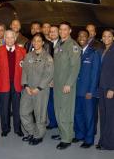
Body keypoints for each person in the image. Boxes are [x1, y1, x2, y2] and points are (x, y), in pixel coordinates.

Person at [20, 33, 54, 145]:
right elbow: (24, 71)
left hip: (41, 91)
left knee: (40, 114)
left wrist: (39, 88)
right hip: (28, 89)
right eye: (34, 40)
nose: (36, 43)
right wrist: (25, 85)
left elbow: (48, 75)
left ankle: (39, 135)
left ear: (43, 43)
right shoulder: (28, 56)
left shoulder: (47, 58)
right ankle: (31, 132)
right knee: (24, 112)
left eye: (39, 40)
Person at [52, 21, 81, 150]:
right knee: (58, 109)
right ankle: (62, 132)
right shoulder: (58, 44)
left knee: (65, 111)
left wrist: (69, 83)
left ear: (70, 31)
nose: (62, 31)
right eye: (60, 29)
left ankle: (67, 138)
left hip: (66, 85)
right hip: (57, 83)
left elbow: (75, 67)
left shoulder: (73, 46)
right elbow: (56, 65)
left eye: (65, 29)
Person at [74, 30, 100, 148]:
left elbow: (95, 74)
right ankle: (80, 135)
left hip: (88, 92)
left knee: (89, 116)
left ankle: (89, 140)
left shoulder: (93, 53)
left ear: (88, 37)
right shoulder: (76, 52)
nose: (81, 38)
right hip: (76, 90)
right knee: (78, 114)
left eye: (84, 36)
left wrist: (91, 90)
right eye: (79, 36)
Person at [0, 30, 26, 137]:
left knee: (17, 107)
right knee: (4, 108)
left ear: (15, 38)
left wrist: (25, 83)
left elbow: (25, 69)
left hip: (17, 84)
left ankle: (18, 128)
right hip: (3, 83)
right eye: (7, 37)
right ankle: (5, 128)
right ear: (4, 39)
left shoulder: (22, 51)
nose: (9, 40)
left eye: (11, 37)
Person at [97, 29, 114, 150]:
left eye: (109, 36)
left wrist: (112, 88)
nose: (106, 38)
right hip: (101, 87)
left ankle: (110, 144)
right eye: (104, 36)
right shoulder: (102, 50)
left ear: (113, 38)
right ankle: (103, 140)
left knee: (110, 117)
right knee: (103, 115)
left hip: (110, 88)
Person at [46, 26, 59, 130]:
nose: (52, 33)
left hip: (59, 80)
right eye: (50, 32)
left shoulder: (62, 44)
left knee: (58, 104)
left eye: (54, 31)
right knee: (49, 102)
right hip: (48, 80)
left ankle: (60, 124)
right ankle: (52, 122)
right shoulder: (47, 45)